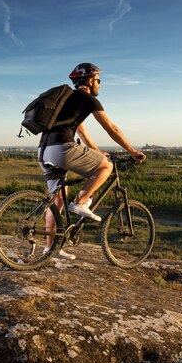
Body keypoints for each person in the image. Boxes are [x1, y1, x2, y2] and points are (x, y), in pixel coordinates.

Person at [39, 62, 146, 259]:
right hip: (63, 148)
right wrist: (131, 150)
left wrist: (97, 152)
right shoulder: (87, 99)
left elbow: (82, 132)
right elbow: (111, 128)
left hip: (44, 150)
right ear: (89, 80)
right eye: (98, 80)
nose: (100, 84)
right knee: (107, 166)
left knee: (57, 200)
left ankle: (49, 248)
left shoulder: (67, 99)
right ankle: (80, 202)